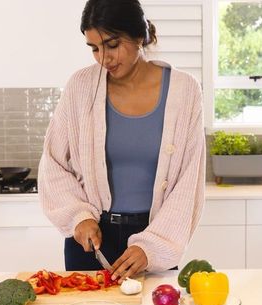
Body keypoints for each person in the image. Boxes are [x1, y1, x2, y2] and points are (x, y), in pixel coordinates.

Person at [38, 0, 205, 283]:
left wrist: (152, 246)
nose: (104, 58)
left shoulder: (185, 91)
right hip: (90, 241)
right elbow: (53, 162)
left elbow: (188, 182)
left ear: (139, 36)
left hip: (154, 242)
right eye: (94, 48)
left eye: (112, 45)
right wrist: (79, 218)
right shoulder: (80, 87)